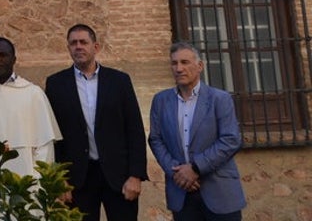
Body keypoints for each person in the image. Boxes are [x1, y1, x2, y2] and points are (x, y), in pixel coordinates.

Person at [45, 24, 148, 221]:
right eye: (73, 43)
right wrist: (60, 179)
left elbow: (134, 129)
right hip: (77, 179)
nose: (78, 47)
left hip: (119, 177)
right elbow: (53, 135)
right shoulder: (56, 84)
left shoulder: (119, 81)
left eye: (83, 42)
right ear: (68, 48)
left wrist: (136, 175)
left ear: (96, 47)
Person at [148, 42, 246, 221]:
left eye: (185, 62)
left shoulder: (220, 99)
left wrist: (195, 168)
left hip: (220, 193)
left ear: (200, 66)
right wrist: (177, 173)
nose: (179, 68)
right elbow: (156, 139)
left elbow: (230, 140)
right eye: (174, 63)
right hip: (182, 193)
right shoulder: (161, 101)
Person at [0, 36, 61, 179]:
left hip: (26, 174)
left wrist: (37, 177)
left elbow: (45, 143)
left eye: (2, 55)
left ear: (14, 59)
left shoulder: (33, 93)